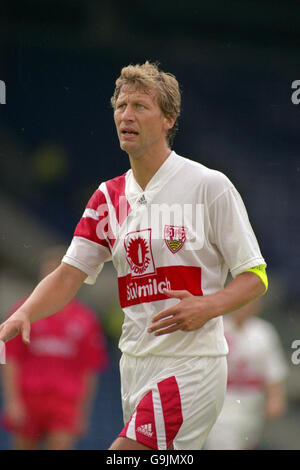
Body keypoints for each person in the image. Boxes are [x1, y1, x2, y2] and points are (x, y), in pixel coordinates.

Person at [0, 61, 268, 450]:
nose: (127, 115)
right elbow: (68, 274)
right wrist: (25, 311)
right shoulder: (107, 197)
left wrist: (208, 306)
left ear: (168, 119)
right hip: (136, 366)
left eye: (140, 106)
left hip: (191, 367)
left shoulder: (210, 186)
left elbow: (255, 276)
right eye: (120, 106)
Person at [0, 246, 109, 450]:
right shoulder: (22, 312)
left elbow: (89, 369)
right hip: (29, 397)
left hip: (65, 401)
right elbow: (10, 358)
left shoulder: (85, 320)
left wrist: (81, 412)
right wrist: (12, 401)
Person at [204, 299, 288, 450]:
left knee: (247, 444)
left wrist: (275, 398)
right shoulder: (217, 328)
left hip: (252, 403)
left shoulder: (264, 332)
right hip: (222, 401)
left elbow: (272, 371)